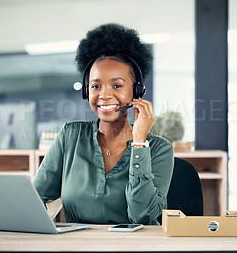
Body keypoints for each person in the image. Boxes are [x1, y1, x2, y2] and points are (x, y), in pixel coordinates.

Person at [33, 23, 174, 225]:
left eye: (117, 85)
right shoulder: (70, 136)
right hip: (79, 247)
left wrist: (139, 143)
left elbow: (142, 215)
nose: (104, 95)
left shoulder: (160, 149)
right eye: (95, 86)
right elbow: (36, 197)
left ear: (137, 91)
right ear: (86, 91)